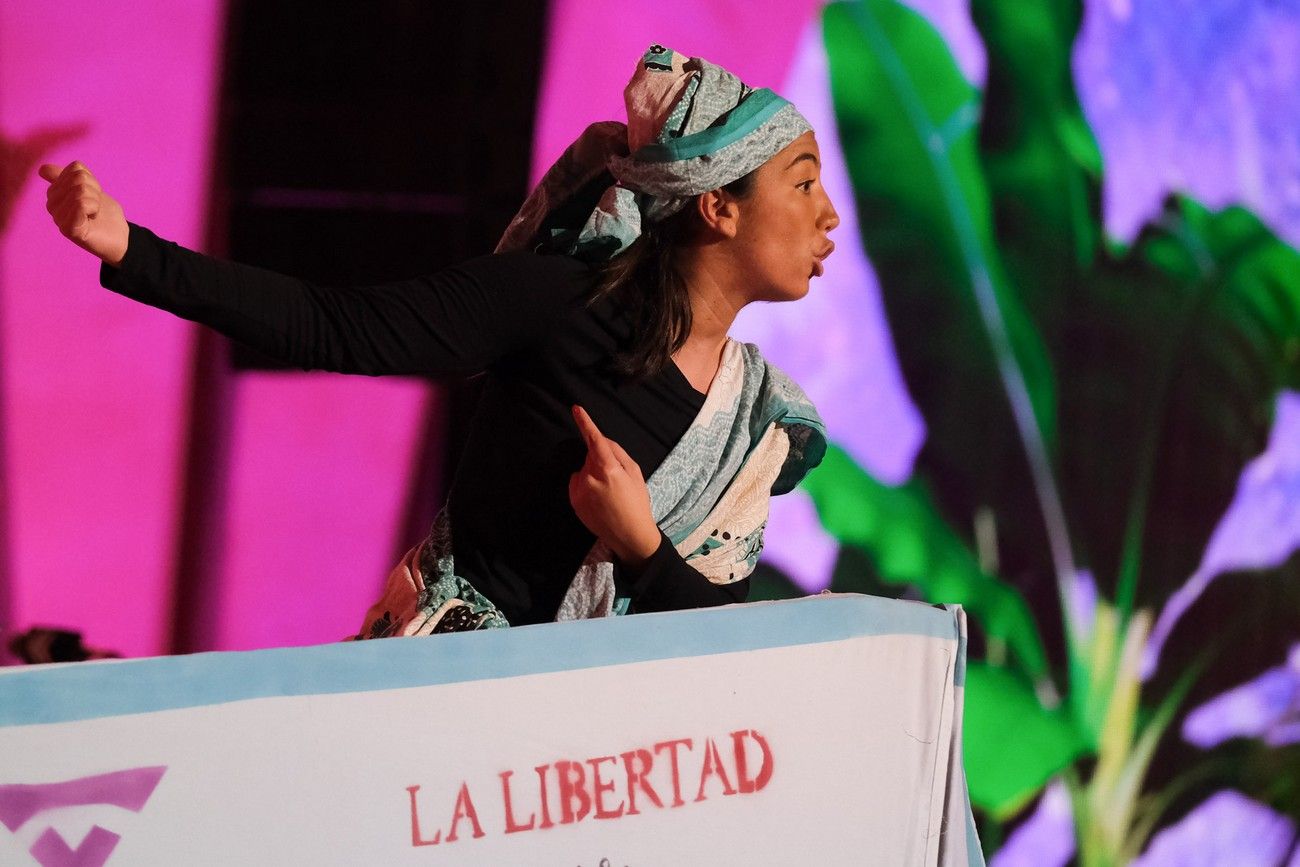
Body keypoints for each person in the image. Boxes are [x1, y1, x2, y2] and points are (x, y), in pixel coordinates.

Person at [38, 44, 839, 637]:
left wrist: (639, 543)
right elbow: (340, 326)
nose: (828, 214)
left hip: (587, 777)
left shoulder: (752, 422)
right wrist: (132, 250)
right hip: (435, 714)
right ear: (715, 206)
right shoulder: (558, 301)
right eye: (802, 183)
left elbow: (724, 645)